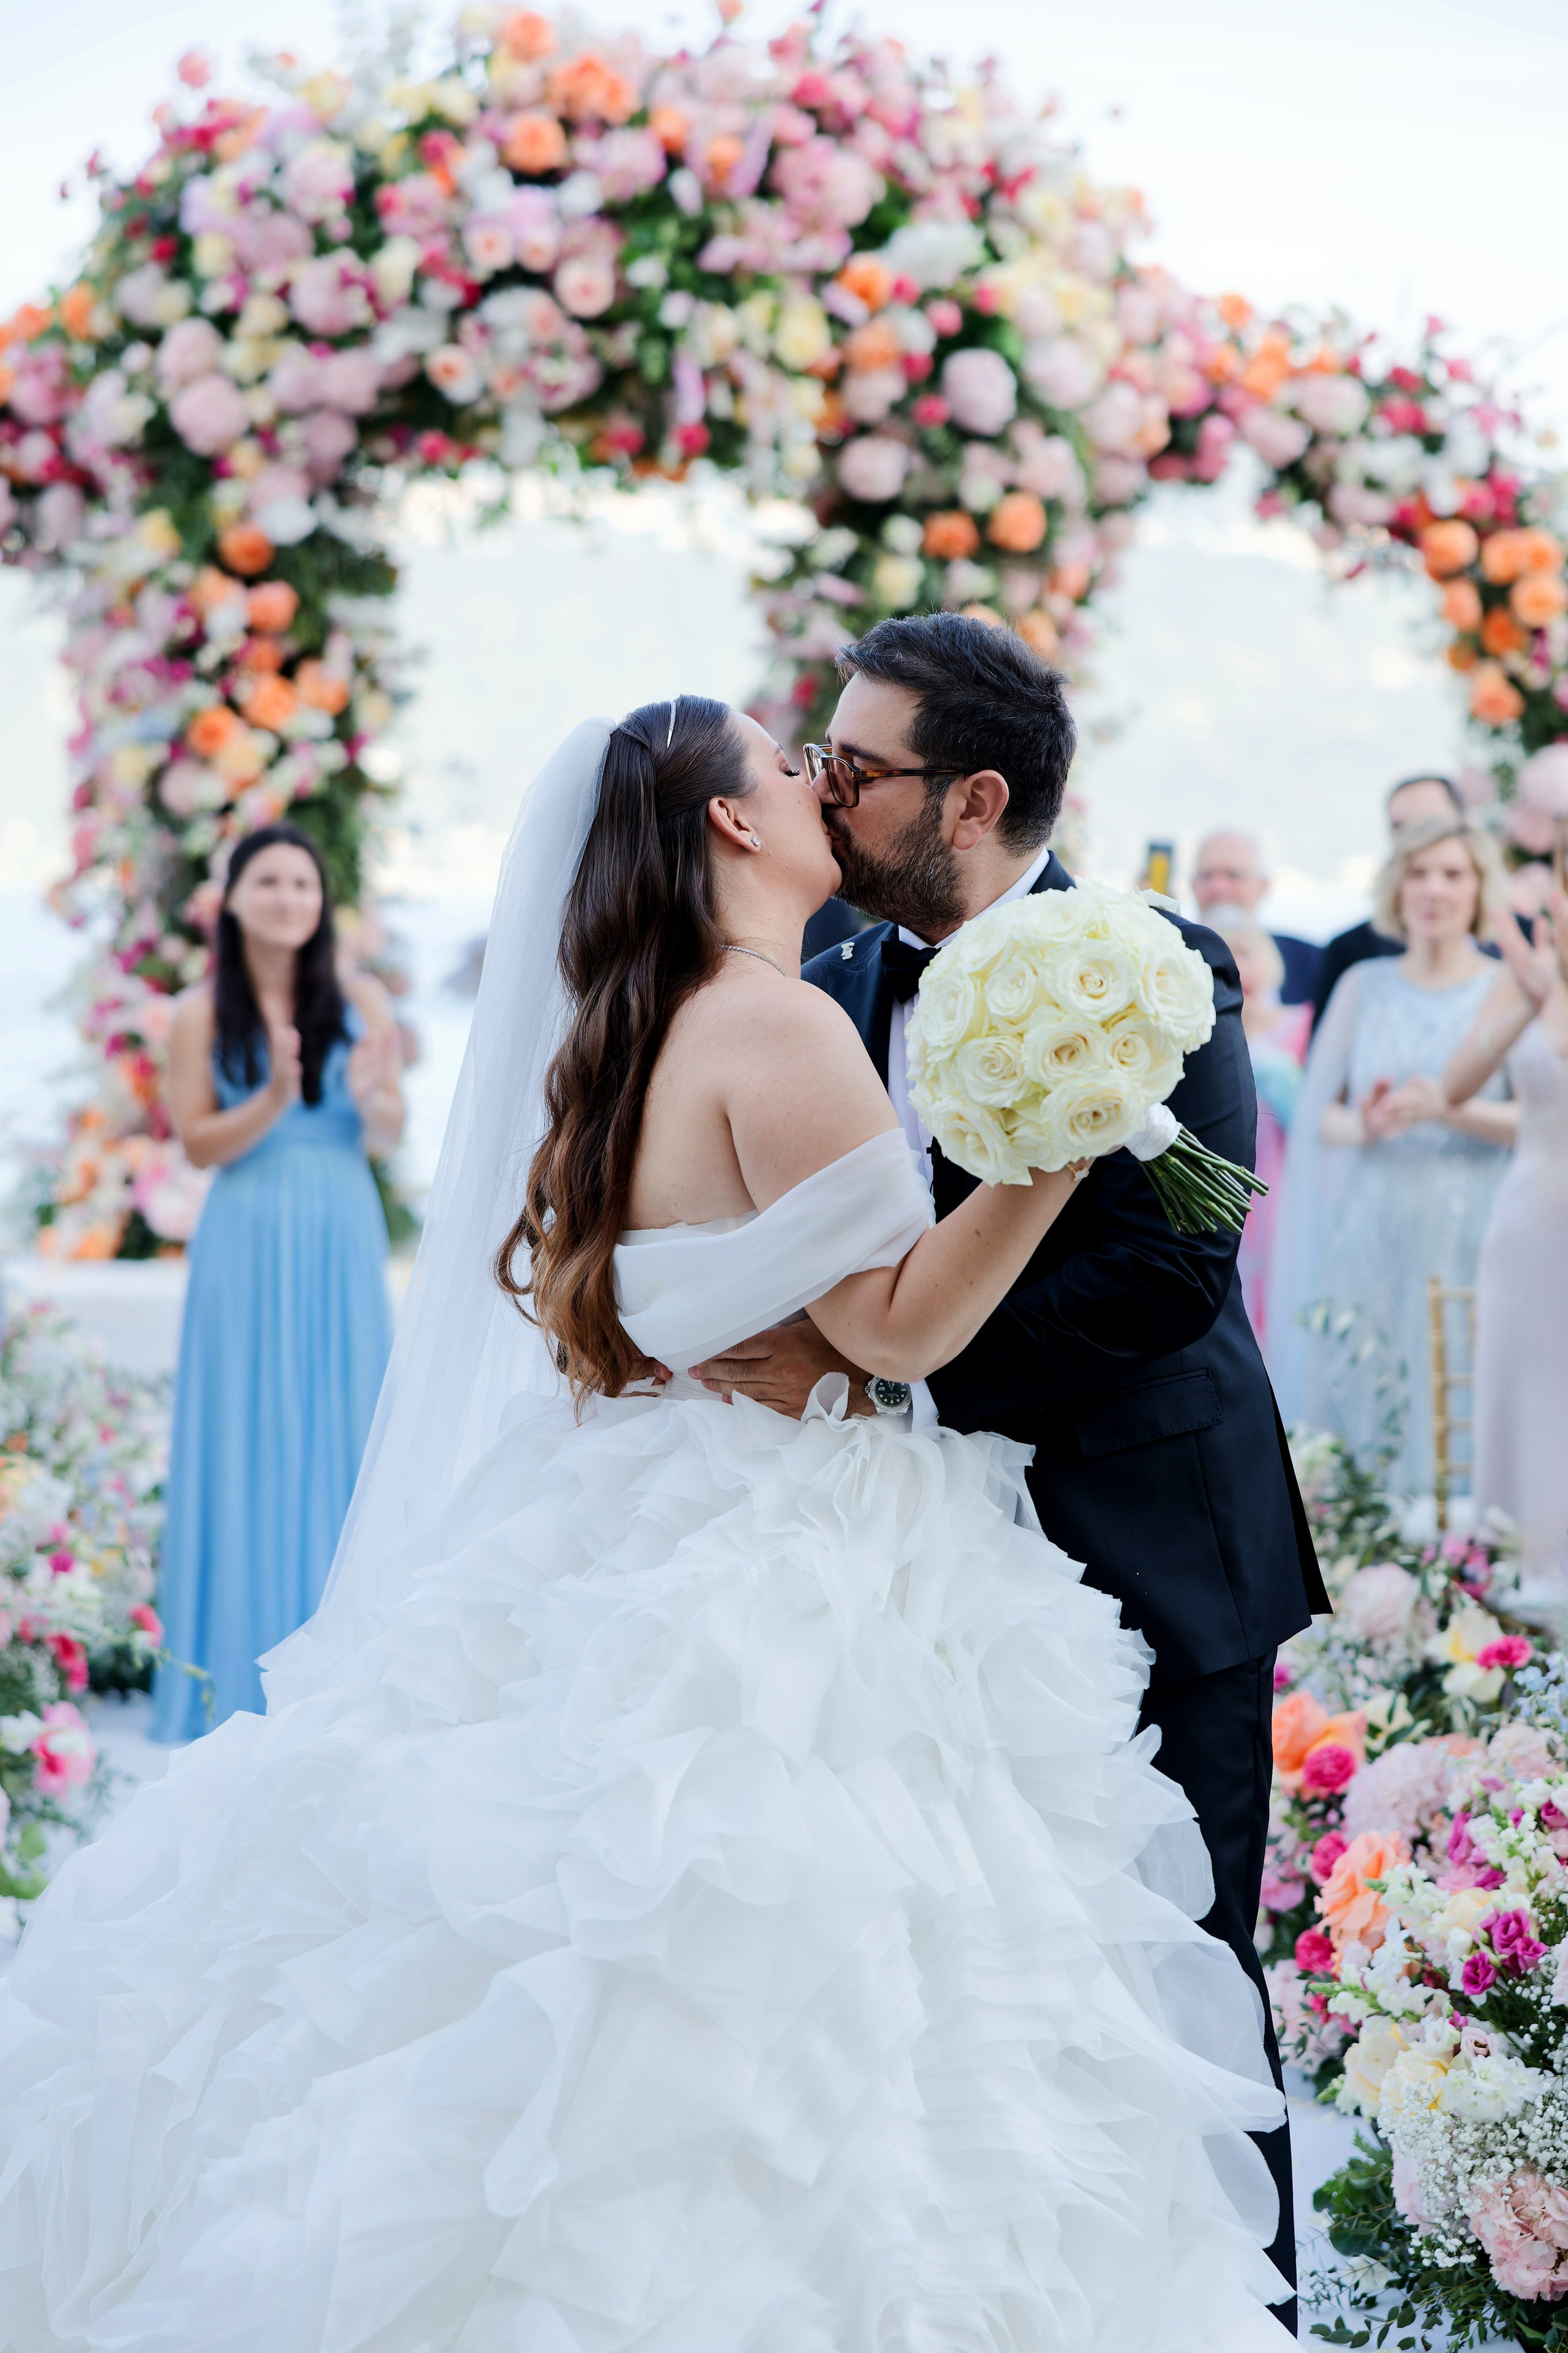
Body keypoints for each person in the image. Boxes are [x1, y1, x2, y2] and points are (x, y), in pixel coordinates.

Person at [0, 701, 1296, 2351]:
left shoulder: (626, 1031)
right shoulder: (784, 1024)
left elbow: (619, 1308)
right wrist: (1065, 1130)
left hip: (646, 1501)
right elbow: (897, 1329)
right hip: (805, 1546)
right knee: (843, 1982)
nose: (816, 779)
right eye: (783, 765)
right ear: (733, 832)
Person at [685, 615, 1329, 2327]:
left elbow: (1181, 1263)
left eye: (856, 766)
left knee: (1181, 1966)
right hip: (912, 1582)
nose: (822, 786)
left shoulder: (1153, 962)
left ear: (972, 799)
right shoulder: (826, 990)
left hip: (1151, 1544)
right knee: (981, 1983)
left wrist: (905, 1367)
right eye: (814, 758)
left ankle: (1248, 2315)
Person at [151, 823, 403, 1738]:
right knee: (244, 1431)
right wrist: (270, 1098)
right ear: (235, 901)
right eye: (269, 882)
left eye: (303, 882)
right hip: (246, 1237)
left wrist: (376, 1089)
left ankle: (338, 1673)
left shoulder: (361, 998)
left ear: (321, 901)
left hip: (337, 1228)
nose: (288, 898)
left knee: (343, 1427)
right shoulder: (196, 1013)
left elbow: (387, 1132)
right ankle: (230, 1679)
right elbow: (196, 1142)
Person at [1268, 814, 1515, 1498]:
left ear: (1477, 889)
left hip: (1473, 1219)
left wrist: (1450, 1107)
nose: (1433, 888)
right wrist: (1370, 1124)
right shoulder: (1362, 986)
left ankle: (1463, 1563)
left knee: (1463, 1381)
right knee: (1365, 1382)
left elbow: (1541, 1121)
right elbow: (1323, 1117)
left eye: (1451, 873)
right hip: (1373, 1223)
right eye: (1418, 872)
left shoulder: (1507, 988)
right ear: (1397, 887)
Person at [1444, 865, 1568, 1587]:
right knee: (1522, 1400)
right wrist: (1527, 999)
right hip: (1525, 1231)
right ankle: (1516, 1582)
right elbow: (1455, 1084)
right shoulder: (1525, 976)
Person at [1208, 915, 1310, 1349]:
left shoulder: (1303, 1024)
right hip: (1220, 1186)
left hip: (1282, 1186)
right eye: (1220, 956)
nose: (1235, 966)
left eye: (1244, 953)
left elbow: (1312, 1115)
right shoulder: (1197, 1036)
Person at [1309, 772, 1467, 1032]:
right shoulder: (1349, 952)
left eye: (1430, 823)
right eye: (1400, 827)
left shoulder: (1520, 941)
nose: (1416, 837)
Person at [1190, 828, 1321, 1008]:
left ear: (1263, 886)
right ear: (1193, 886)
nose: (1218, 887)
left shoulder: (1312, 962)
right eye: (1207, 876)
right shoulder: (1165, 959)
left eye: (1233, 875)